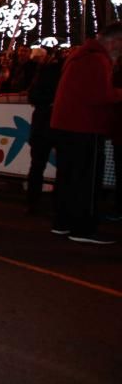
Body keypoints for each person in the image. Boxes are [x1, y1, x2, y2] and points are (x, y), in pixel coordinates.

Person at [49, 22, 122, 244]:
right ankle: (83, 228)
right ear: (114, 41)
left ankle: (62, 222)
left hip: (66, 126)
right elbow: (101, 95)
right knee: (87, 182)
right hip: (84, 127)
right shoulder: (96, 58)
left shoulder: (80, 55)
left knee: (67, 178)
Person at [25, 47, 60, 214]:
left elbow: (32, 95)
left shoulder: (45, 73)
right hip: (49, 122)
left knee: (37, 165)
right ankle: (37, 202)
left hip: (45, 121)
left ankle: (33, 202)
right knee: (40, 165)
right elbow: (32, 95)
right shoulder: (46, 72)